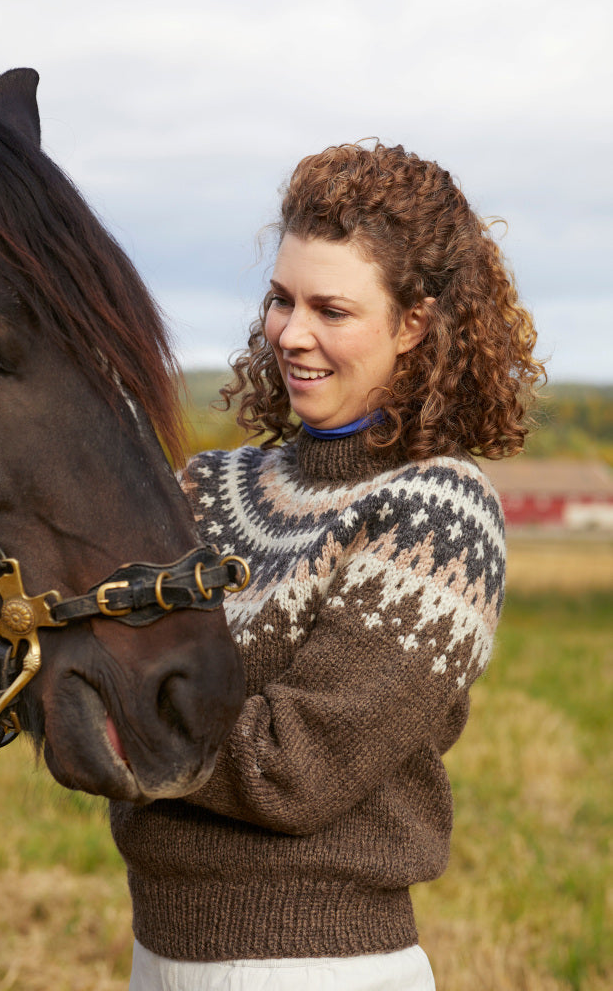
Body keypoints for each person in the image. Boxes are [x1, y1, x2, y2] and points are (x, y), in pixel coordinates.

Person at [112, 140, 545, 990]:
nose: (291, 333)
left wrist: (111, 712)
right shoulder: (206, 485)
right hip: (157, 950)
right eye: (280, 300)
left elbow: (293, 767)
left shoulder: (438, 514)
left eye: (331, 310)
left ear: (413, 325)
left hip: (317, 964)